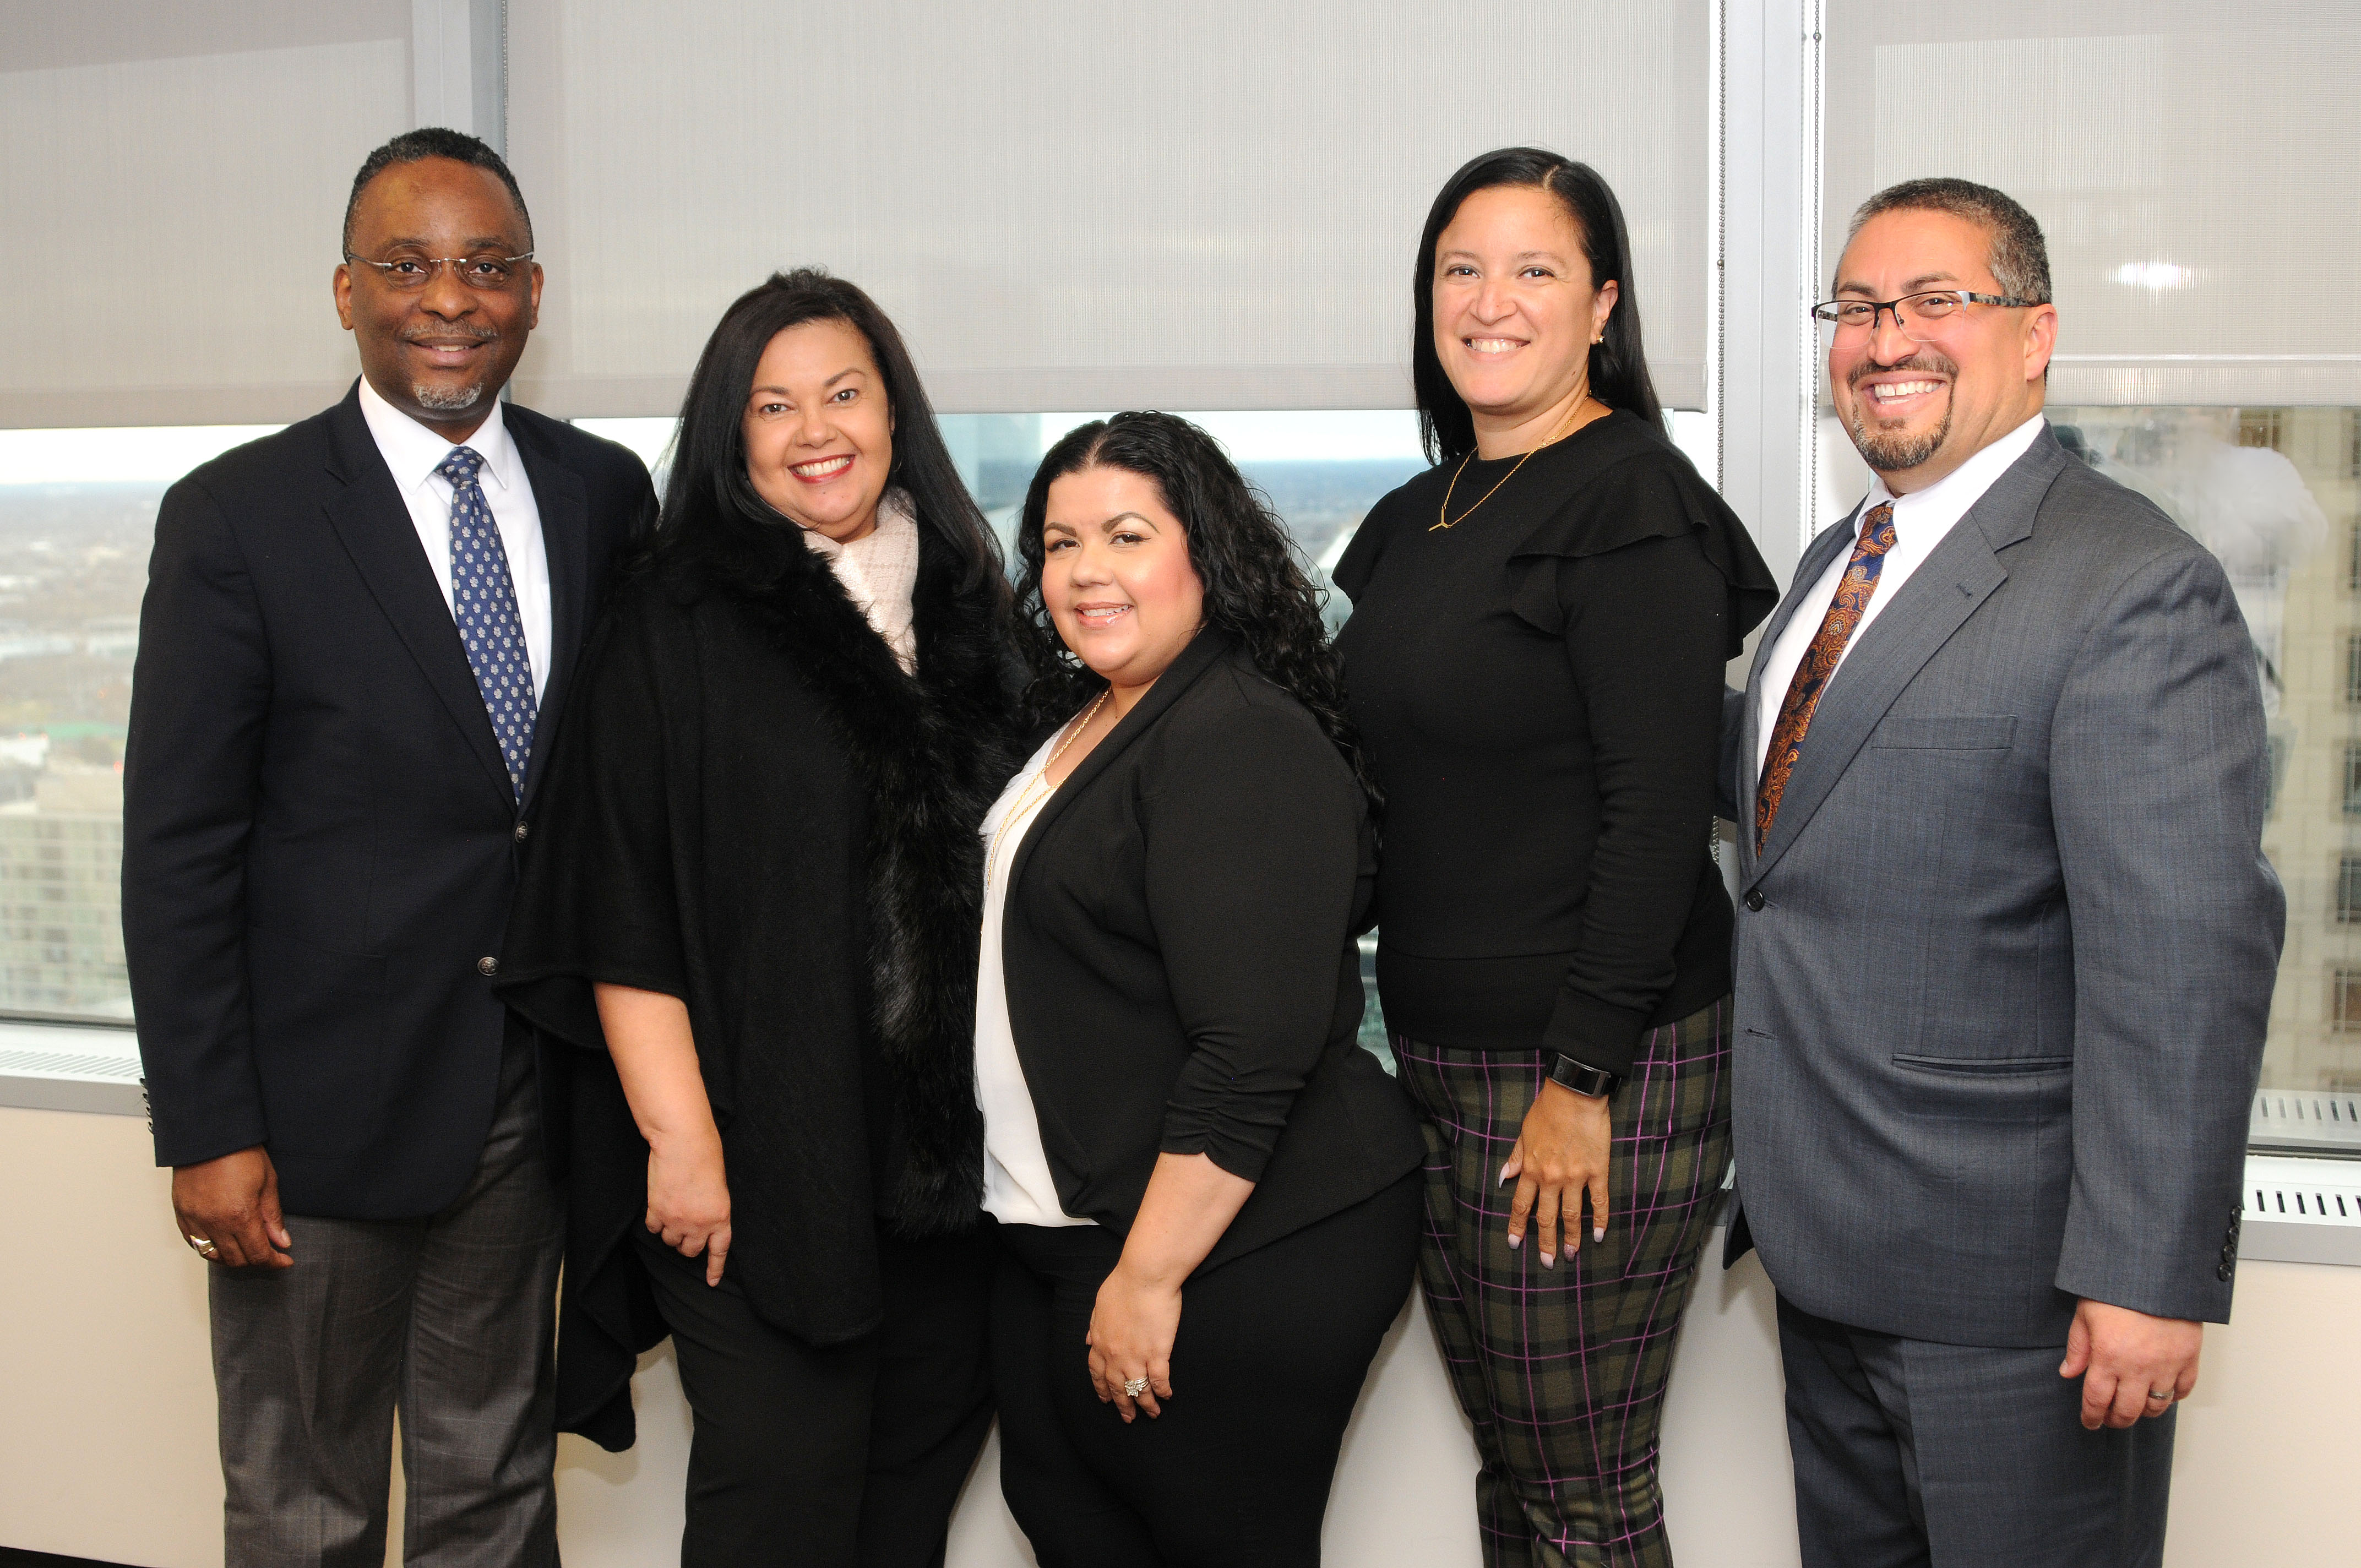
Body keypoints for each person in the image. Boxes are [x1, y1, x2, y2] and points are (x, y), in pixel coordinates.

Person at [1720, 177, 2282, 1567]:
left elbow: (2183, 956)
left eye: (1933, 301)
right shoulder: (1827, 567)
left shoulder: (2129, 584)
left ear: (2033, 334)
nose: (1883, 337)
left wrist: (2145, 1276)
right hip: (1824, 1250)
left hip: (2016, 1293)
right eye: (1855, 307)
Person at [121, 127, 655, 1565]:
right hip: (310, 1115)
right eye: (406, 264)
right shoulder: (239, 518)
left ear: (535, 292)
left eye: (486, 267)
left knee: (494, 1484)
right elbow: (177, 847)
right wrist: (210, 1125)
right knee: (311, 1500)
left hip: (532, 1089)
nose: (449, 299)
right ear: (344, 290)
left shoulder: (605, 494)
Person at [494, 268, 1018, 1567]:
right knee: (777, 1505)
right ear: (733, 438)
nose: (814, 429)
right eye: (773, 406)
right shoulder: (673, 619)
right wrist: (680, 1142)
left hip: (953, 1176)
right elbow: (622, 902)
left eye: (843, 392)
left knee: (903, 1502)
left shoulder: (971, 605)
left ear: (894, 411)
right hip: (758, 1160)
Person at [1331, 148, 1776, 1567]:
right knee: (1516, 1475)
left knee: (1580, 1487)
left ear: (1600, 306)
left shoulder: (1630, 501)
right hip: (1444, 1057)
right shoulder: (1418, 518)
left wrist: (1581, 1075)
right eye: (1460, 267)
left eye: (1533, 269)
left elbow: (1656, 810)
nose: (1488, 300)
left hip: (1597, 1062)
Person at [984, 411, 1424, 1567]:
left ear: (1205, 554)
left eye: (1126, 534)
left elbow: (1251, 1049)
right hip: (1085, 1230)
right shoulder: (1089, 715)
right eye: (1059, 541)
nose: (1086, 571)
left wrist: (1147, 1272)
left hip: (1236, 1242)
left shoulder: (1236, 739)